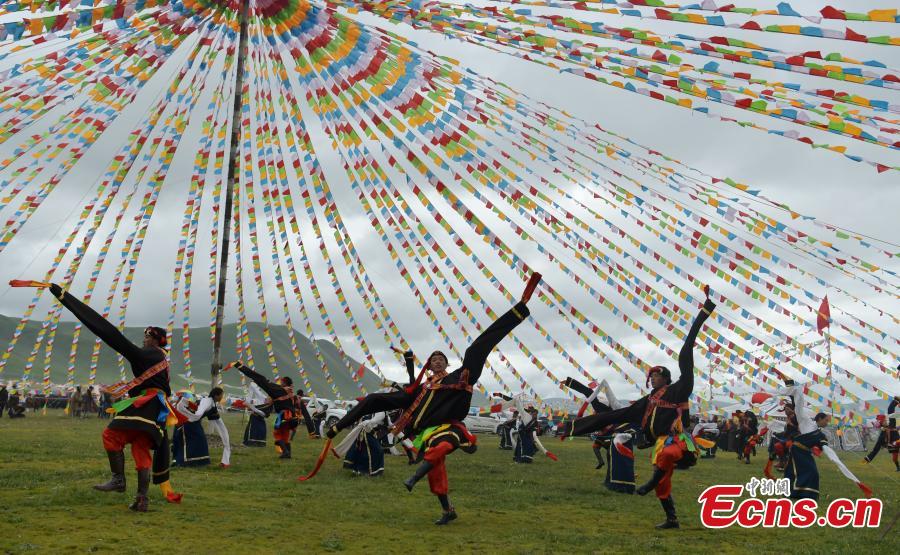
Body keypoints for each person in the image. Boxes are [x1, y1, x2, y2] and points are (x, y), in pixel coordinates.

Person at [323, 272, 541, 525]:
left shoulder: (459, 378)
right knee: (376, 401)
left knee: (474, 352)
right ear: (429, 365)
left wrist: (518, 310)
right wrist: (337, 427)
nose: (437, 361)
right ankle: (448, 509)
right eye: (433, 359)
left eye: (441, 359)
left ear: (447, 364)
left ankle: (413, 478)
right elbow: (386, 399)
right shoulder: (421, 389)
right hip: (426, 431)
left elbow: (481, 347)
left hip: (450, 427)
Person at [562, 290, 716, 529]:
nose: (652, 378)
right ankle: (671, 518)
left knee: (665, 458)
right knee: (664, 482)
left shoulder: (679, 389)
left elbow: (686, 354)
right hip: (660, 442)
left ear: (666, 378)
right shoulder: (650, 398)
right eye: (651, 376)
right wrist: (575, 427)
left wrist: (702, 315)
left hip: (679, 442)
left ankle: (648, 484)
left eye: (657, 375)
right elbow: (618, 414)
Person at [47, 282, 181, 511]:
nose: (144, 340)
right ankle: (142, 499)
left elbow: (112, 336)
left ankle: (119, 480)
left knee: (111, 435)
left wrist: (66, 299)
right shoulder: (158, 358)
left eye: (147, 337)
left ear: (156, 340)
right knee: (140, 448)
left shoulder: (151, 354)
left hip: (147, 404)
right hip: (155, 407)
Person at [776, 376, 871, 499]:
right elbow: (798, 404)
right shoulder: (806, 421)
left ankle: (799, 493)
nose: (827, 423)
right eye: (826, 420)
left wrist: (838, 462)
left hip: (804, 453)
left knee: (804, 472)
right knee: (808, 471)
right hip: (797, 450)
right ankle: (801, 493)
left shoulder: (820, 434)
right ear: (819, 419)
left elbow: (827, 449)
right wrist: (792, 388)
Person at [566, 376, 636, 493]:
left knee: (609, 455)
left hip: (614, 435)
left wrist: (571, 383)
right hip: (614, 435)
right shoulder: (612, 410)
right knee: (610, 456)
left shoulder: (601, 408)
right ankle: (610, 480)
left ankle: (612, 480)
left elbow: (588, 392)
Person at [226, 363, 298, 459]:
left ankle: (285, 452)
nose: (280, 383)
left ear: (284, 383)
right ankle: (288, 454)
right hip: (293, 417)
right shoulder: (291, 392)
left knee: (278, 435)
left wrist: (240, 366)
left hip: (284, 416)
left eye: (282, 382)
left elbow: (262, 381)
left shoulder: (279, 390)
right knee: (285, 436)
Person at [177, 387, 231, 467]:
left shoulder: (213, 404)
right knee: (197, 440)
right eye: (221, 395)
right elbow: (198, 414)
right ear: (216, 395)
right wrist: (190, 418)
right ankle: (185, 462)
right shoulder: (207, 401)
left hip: (194, 423)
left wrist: (225, 438)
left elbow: (218, 422)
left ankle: (198, 462)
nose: (222, 397)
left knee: (200, 441)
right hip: (189, 422)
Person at [335, 411, 387, 477]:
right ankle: (367, 471)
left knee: (365, 451)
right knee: (375, 451)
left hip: (368, 432)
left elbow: (377, 420)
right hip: (365, 433)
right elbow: (373, 420)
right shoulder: (372, 411)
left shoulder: (380, 412)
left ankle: (360, 469)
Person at [171, 392, 210, 467]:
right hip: (182, 428)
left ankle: (178, 460)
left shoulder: (182, 405)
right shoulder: (180, 406)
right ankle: (177, 460)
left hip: (186, 428)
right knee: (178, 444)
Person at [863, 396, 899, 471]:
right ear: (882, 423)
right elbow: (876, 448)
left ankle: (896, 401)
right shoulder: (883, 434)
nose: (886, 420)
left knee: (890, 411)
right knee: (894, 458)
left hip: (897, 441)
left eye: (886, 419)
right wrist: (868, 458)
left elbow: (890, 410)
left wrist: (895, 401)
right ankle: (898, 467)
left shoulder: (892, 424)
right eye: (885, 420)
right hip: (893, 445)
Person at [243, 382, 270, 447]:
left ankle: (256, 443)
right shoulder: (264, 399)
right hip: (255, 418)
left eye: (269, 399)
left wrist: (250, 406)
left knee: (258, 430)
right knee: (254, 430)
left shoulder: (268, 405)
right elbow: (257, 392)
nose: (267, 398)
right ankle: (251, 442)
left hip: (259, 419)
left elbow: (263, 414)